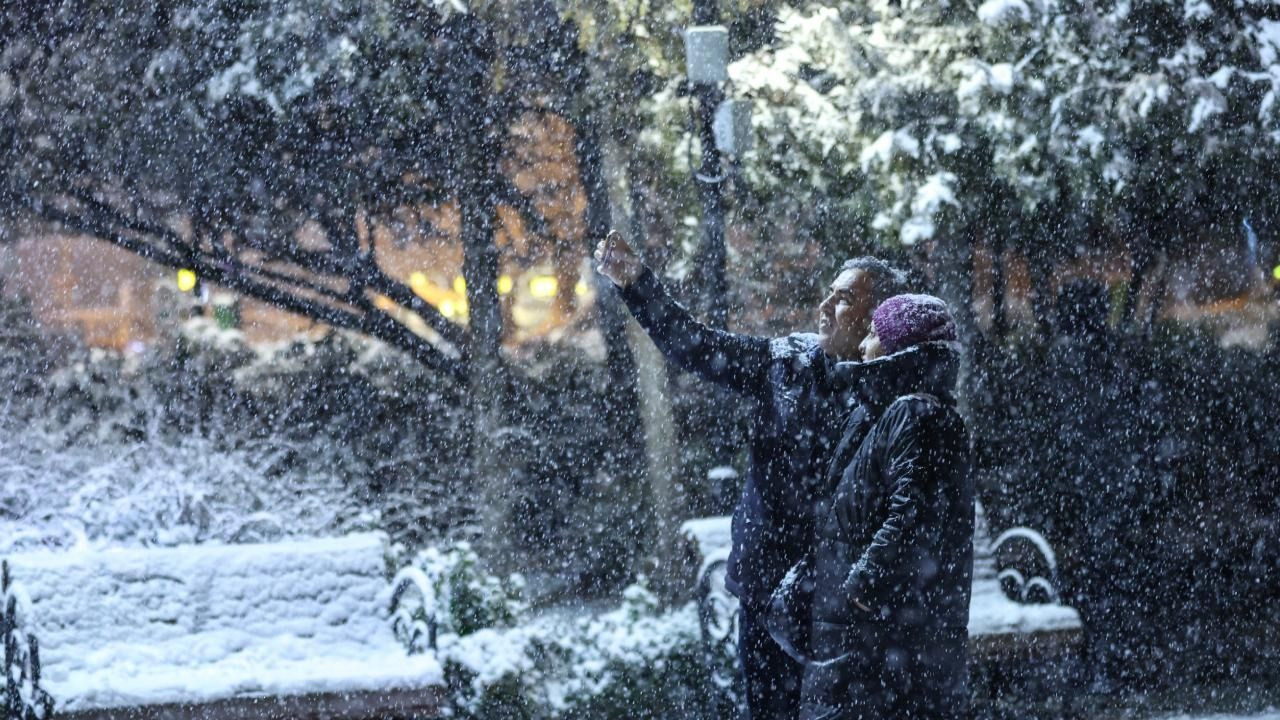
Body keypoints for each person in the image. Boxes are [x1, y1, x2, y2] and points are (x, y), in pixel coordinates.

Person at [593, 231, 908, 720]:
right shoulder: (786, 363)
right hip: (766, 592)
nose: (824, 305)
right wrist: (637, 283)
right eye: (828, 291)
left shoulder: (892, 395)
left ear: (876, 316)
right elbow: (695, 346)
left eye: (843, 298)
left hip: (843, 606)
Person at [771, 294, 974, 720]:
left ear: (900, 348)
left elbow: (914, 514)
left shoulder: (912, 412)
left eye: (874, 333)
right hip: (869, 640)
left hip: (875, 642)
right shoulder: (889, 413)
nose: (863, 345)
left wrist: (862, 587)